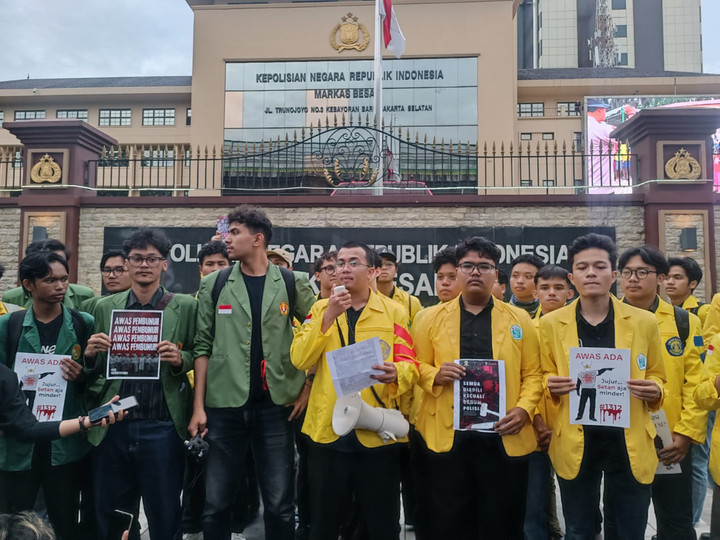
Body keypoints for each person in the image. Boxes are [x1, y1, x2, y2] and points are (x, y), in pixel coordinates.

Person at [190, 206, 315, 540]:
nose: (227, 240)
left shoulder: (292, 282)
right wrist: (199, 407)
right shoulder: (214, 284)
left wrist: (307, 386)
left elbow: (319, 334)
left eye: (235, 233)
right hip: (223, 406)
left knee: (280, 505)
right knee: (216, 504)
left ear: (257, 239)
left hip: (277, 406)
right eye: (227, 232)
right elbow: (202, 345)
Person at [412, 236, 542, 539]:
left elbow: (534, 375)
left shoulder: (519, 319)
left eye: (484, 266)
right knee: (448, 521)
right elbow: (414, 365)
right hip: (447, 436)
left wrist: (524, 410)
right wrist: (435, 374)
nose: (475, 272)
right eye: (467, 265)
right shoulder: (428, 318)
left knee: (502, 521)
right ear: (457, 271)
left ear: (495, 274)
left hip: (502, 434)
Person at [539, 233, 666, 539]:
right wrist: (549, 384)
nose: (591, 273)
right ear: (572, 278)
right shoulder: (550, 323)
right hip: (576, 438)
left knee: (630, 529)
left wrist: (655, 390)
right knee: (579, 529)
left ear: (614, 275)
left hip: (628, 438)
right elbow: (542, 373)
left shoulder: (644, 322)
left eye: (599, 266)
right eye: (582, 267)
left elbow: (658, 374)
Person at [290, 241, 419, 540]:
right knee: (324, 524)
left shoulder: (394, 312)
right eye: (340, 263)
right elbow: (299, 358)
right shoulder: (319, 308)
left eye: (353, 263)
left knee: (381, 524)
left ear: (372, 272)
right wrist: (328, 317)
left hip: (376, 431)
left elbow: (410, 363)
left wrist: (397, 372)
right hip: (328, 430)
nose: (344, 269)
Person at [84, 228, 197, 540]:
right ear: (127, 264)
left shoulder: (185, 306)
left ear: (164, 264)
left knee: (165, 512)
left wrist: (180, 358)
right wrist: (91, 355)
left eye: (152, 258)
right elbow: (94, 370)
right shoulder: (104, 307)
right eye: (137, 258)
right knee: (114, 514)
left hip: (162, 423)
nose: (144, 264)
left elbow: (200, 352)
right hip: (113, 423)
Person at [0, 251, 95, 540]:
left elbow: (95, 380)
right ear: (28, 284)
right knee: (13, 521)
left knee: (64, 519)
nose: (60, 286)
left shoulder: (83, 323)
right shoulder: (9, 325)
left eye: (64, 279)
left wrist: (82, 374)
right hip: (18, 443)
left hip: (64, 440)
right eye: (50, 280)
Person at [618, 246, 706, 540]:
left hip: (669, 436)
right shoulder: (606, 317)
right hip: (622, 435)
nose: (633, 279)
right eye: (627, 272)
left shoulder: (684, 322)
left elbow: (695, 383)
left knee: (676, 519)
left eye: (642, 272)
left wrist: (686, 434)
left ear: (660, 278)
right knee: (622, 517)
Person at [524, 265, 573, 540]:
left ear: (570, 292)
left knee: (578, 499)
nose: (551, 293)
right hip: (536, 427)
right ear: (535, 293)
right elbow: (524, 378)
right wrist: (537, 421)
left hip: (571, 426)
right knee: (536, 497)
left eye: (558, 288)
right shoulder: (526, 328)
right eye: (544, 288)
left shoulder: (581, 328)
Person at [2, 239, 94, 310]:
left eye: (60, 260)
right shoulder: (12, 298)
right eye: (50, 280)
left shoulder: (84, 296)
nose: (60, 286)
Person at [376, 249, 423, 326]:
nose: (384, 268)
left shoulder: (411, 302)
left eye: (389, 264)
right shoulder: (364, 300)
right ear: (372, 270)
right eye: (379, 264)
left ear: (396, 270)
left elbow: (419, 331)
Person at [80, 250, 132, 315]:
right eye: (107, 270)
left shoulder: (140, 303)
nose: (111, 276)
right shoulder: (89, 306)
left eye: (119, 270)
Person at [665, 256, 710, 328]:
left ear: (693, 284)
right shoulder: (664, 311)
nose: (670, 282)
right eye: (666, 278)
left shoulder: (704, 312)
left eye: (677, 278)